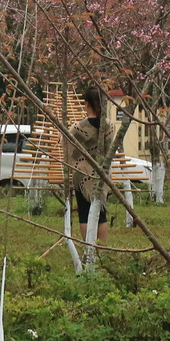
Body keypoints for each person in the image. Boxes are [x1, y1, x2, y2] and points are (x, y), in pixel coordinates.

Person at [67, 87, 108, 235]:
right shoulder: (109, 127)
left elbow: (67, 148)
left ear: (86, 104)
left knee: (84, 214)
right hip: (102, 174)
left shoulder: (77, 128)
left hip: (82, 175)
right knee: (101, 214)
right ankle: (101, 247)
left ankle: (88, 249)